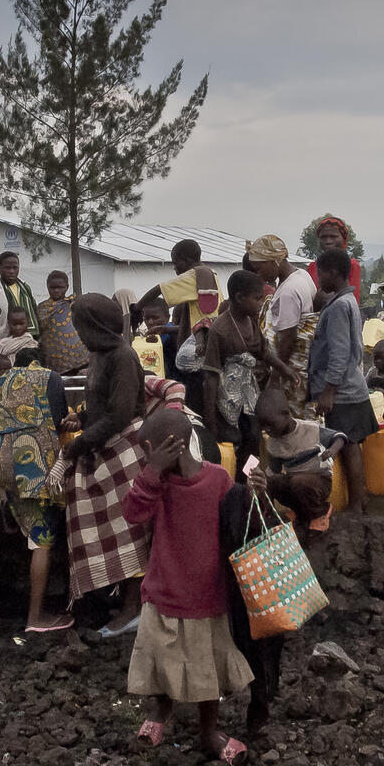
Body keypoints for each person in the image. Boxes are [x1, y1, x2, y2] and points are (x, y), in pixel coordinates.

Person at [125, 409, 253, 766]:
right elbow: (133, 513)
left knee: (205, 669)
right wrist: (151, 472)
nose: (145, 461)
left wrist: (254, 492)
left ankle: (208, 731)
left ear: (172, 446)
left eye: (148, 452)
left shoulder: (217, 479)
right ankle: (161, 711)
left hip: (205, 595)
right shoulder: (157, 484)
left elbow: (238, 521)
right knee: (159, 660)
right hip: (162, 591)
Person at [60, 294, 149, 635]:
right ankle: (123, 598)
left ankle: (132, 609)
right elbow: (102, 404)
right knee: (113, 528)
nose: (78, 334)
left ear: (95, 326)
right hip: (105, 443)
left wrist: (80, 444)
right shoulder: (98, 355)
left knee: (129, 530)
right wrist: (81, 419)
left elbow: (120, 413)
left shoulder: (122, 356)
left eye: (80, 327)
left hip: (125, 448)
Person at [0, 348, 74, 631]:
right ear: (41, 362)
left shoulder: (1, 381)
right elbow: (58, 418)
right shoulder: (50, 377)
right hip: (32, 460)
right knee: (42, 540)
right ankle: (35, 618)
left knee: (28, 526)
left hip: (1, 458)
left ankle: (10, 516)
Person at [219, 466, 286, 738]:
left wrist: (256, 495)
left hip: (240, 570)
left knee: (253, 636)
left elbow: (257, 524)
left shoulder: (222, 481)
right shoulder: (219, 480)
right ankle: (261, 696)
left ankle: (260, 697)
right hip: (236, 570)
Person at [202, 270, 296, 464]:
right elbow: (211, 377)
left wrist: (285, 370)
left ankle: (250, 478)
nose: (261, 303)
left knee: (253, 437)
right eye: (257, 298)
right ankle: (235, 479)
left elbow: (263, 352)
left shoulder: (250, 320)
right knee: (233, 439)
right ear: (239, 298)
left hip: (249, 393)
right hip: (226, 398)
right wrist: (210, 421)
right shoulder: (220, 330)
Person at [310, 248, 373, 514]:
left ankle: (357, 504)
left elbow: (339, 353)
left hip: (343, 392)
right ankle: (360, 500)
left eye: (320, 274)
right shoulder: (348, 301)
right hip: (352, 387)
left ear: (333, 273)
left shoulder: (337, 307)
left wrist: (328, 391)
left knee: (347, 446)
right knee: (351, 445)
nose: (318, 279)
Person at [140, 239, 222, 413]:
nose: (174, 268)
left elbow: (159, 290)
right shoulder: (211, 275)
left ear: (185, 260)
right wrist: (167, 329)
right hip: (209, 346)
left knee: (195, 398)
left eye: (175, 263)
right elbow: (198, 322)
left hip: (199, 353)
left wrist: (136, 308)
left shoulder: (195, 275)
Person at [254, 387, 341, 541]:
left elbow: (339, 437)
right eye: (263, 426)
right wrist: (262, 482)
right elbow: (273, 470)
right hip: (295, 482)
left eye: (270, 424)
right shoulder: (273, 442)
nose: (267, 430)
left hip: (318, 482)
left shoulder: (310, 430)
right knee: (271, 482)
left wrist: (332, 450)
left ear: (286, 414)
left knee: (299, 483)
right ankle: (280, 517)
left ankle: (319, 513)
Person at [246, 234, 318, 421]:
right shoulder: (302, 275)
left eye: (259, 268)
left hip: (292, 367)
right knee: (306, 416)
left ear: (274, 261)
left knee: (293, 418)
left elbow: (288, 338)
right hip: (305, 365)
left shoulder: (288, 291)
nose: (258, 275)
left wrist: (276, 376)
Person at [36, 271, 88, 375]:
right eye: (53, 288)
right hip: (54, 359)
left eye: (60, 287)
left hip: (80, 359)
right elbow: (38, 332)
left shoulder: (74, 304)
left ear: (67, 287)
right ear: (47, 286)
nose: (56, 290)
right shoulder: (42, 308)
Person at [305, 216, 362, 303]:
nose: (328, 241)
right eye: (323, 237)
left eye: (333, 236)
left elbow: (351, 300)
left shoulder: (351, 265)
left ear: (344, 239)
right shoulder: (312, 267)